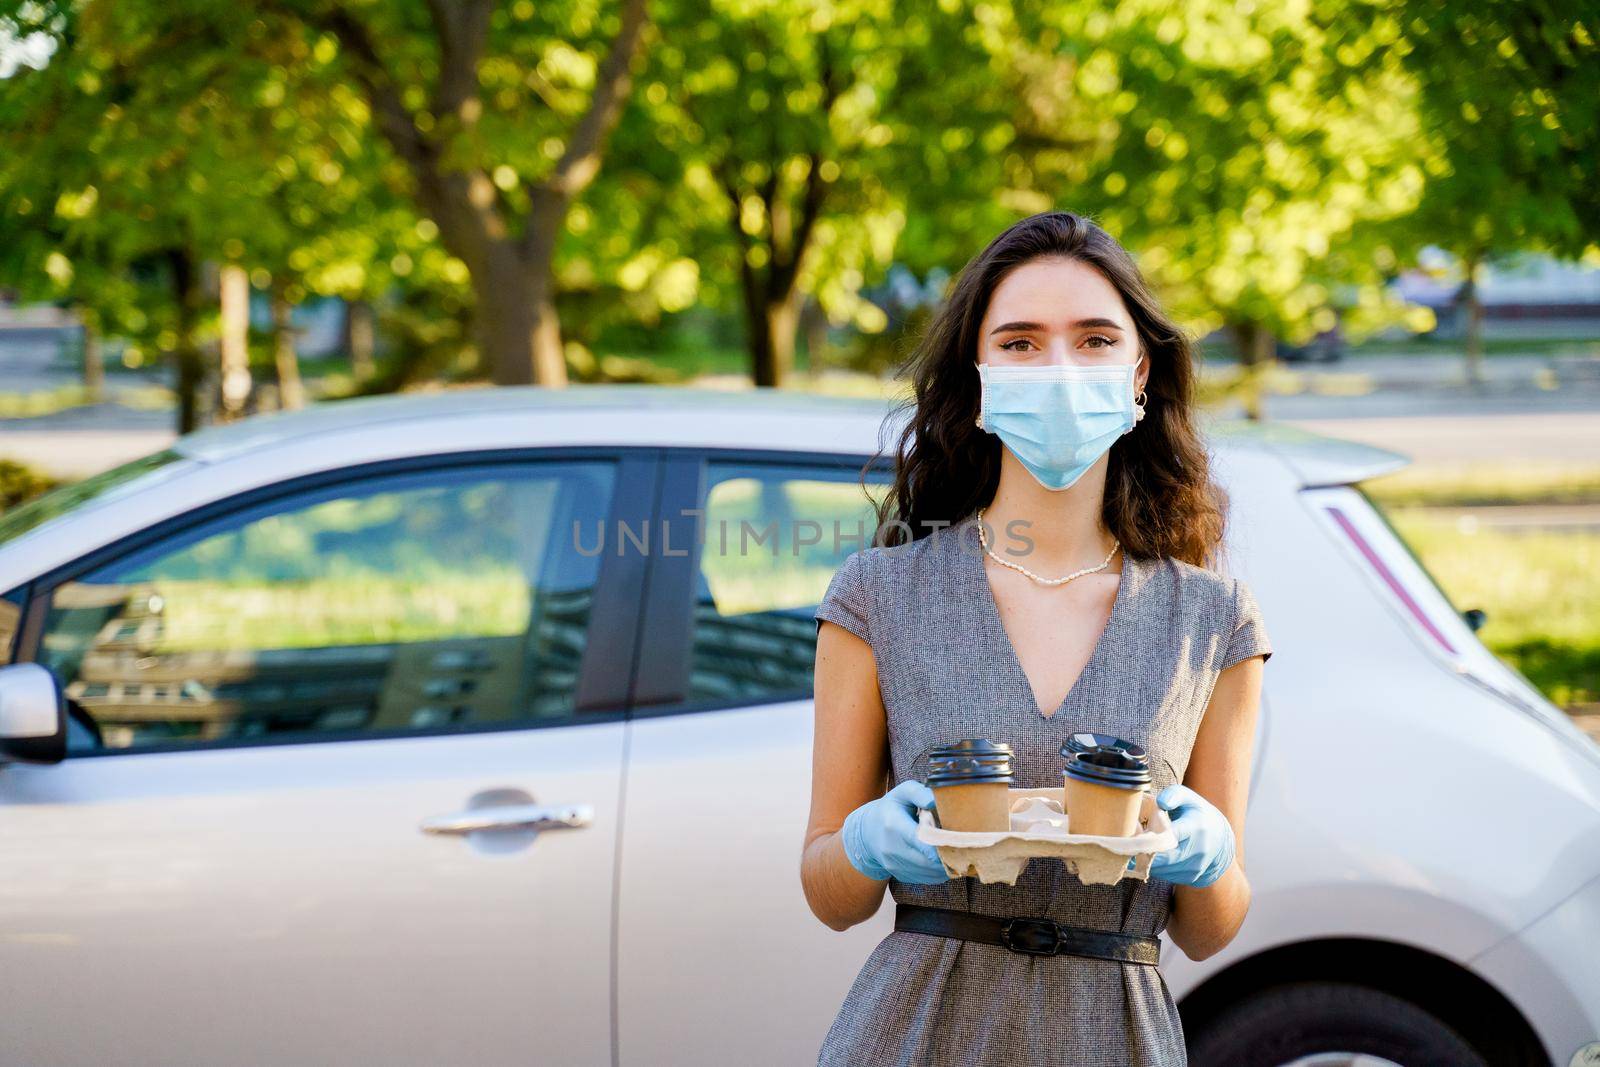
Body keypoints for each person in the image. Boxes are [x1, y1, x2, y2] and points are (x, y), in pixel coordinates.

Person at [799, 210, 1273, 1066]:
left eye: (1093, 339)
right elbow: (830, 894)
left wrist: (1209, 858)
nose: (1058, 367)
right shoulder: (879, 594)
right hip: (916, 1029)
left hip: (1114, 1034)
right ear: (978, 378)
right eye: (1020, 342)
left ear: (1139, 374)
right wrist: (866, 840)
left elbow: (1211, 930)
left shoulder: (1213, 619)